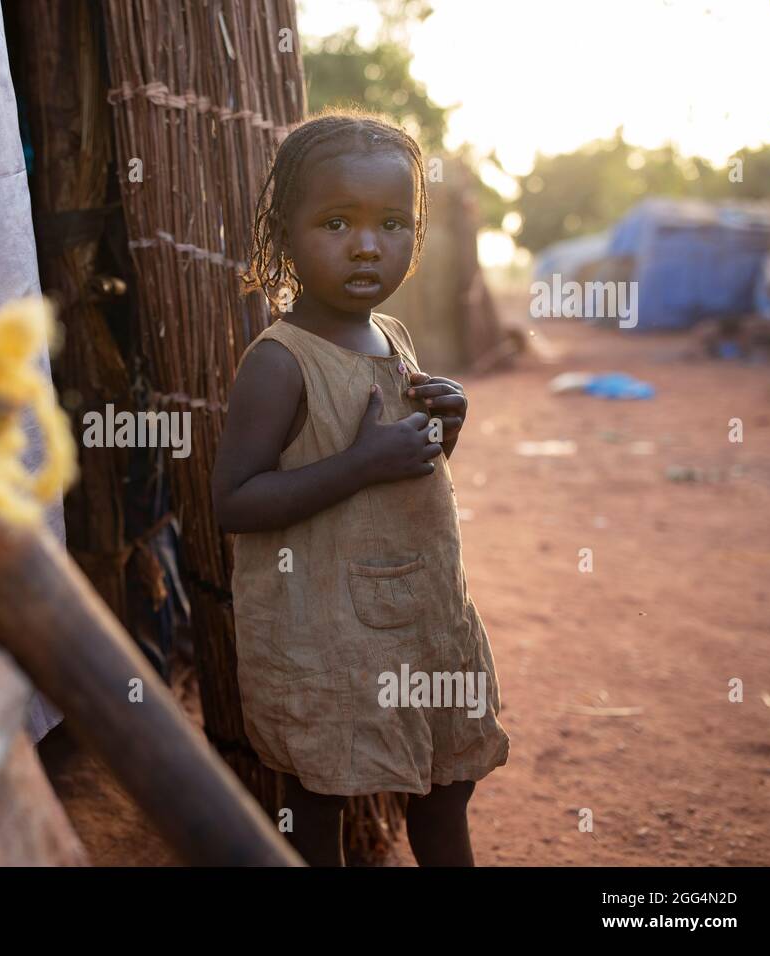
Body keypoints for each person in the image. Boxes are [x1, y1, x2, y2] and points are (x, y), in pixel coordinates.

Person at [212, 110, 510, 867]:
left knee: (447, 786)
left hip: (420, 617)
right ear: (284, 234)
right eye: (337, 222)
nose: (369, 244)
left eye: (393, 223)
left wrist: (448, 425)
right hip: (326, 635)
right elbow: (234, 501)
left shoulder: (395, 338)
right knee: (319, 798)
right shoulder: (280, 362)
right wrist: (360, 463)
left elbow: (413, 475)